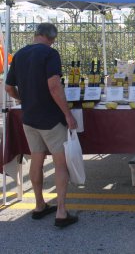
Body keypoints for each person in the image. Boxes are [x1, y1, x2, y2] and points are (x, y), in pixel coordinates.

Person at [5, 23, 79, 228]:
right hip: (51, 119)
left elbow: (9, 87)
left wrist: (22, 100)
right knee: (60, 164)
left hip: (29, 118)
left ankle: (39, 205)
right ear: (52, 38)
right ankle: (61, 211)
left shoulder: (19, 55)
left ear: (36, 34)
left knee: (36, 160)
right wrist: (68, 114)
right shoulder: (50, 54)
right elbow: (54, 85)